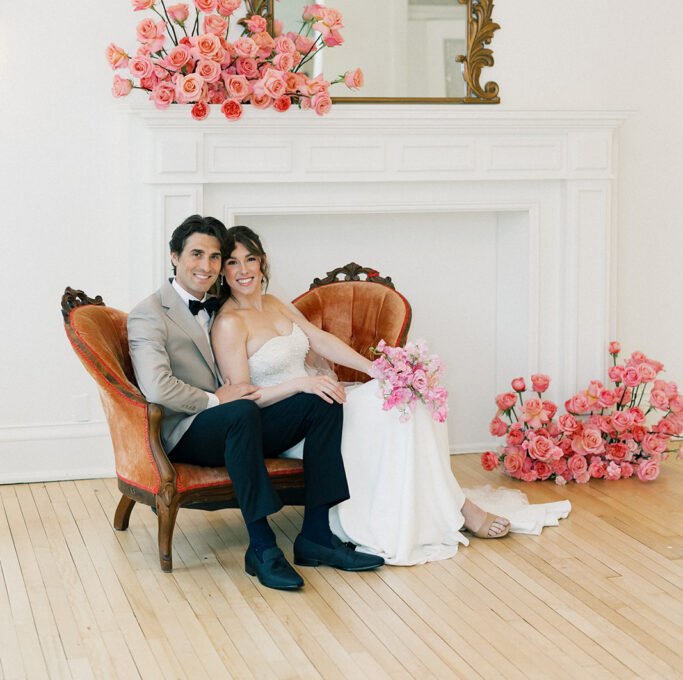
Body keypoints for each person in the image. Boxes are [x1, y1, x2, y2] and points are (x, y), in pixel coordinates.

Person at [211, 224, 515, 568]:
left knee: (408, 398)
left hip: (317, 400)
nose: (243, 270)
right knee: (385, 408)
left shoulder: (273, 304)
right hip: (285, 421)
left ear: (263, 262)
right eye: (233, 263)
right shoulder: (229, 323)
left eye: (250, 259)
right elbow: (243, 401)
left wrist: (376, 369)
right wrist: (300, 385)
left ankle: (448, 506)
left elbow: (320, 341)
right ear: (222, 271)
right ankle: (458, 509)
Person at [127, 214, 384, 591]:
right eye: (197, 254)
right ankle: (262, 547)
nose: (207, 266)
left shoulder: (220, 304)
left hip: (239, 422)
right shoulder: (148, 314)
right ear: (174, 257)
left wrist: (364, 371)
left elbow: (306, 343)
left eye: (215, 257)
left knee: (322, 399)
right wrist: (216, 399)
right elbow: (157, 388)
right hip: (187, 429)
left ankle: (316, 536)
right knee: (242, 409)